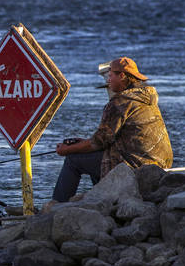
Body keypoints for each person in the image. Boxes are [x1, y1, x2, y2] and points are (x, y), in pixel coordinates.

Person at [51, 57, 173, 203]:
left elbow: (99, 142)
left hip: (135, 165)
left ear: (121, 76)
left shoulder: (120, 102)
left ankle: (55, 206)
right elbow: (108, 139)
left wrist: (67, 150)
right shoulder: (147, 99)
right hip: (160, 163)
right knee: (96, 155)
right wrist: (83, 143)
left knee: (73, 160)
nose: (108, 80)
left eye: (110, 76)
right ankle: (103, 199)